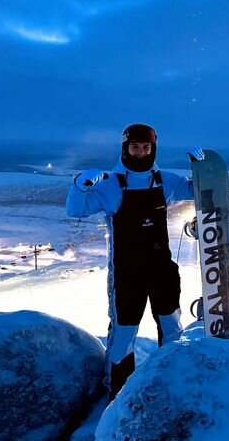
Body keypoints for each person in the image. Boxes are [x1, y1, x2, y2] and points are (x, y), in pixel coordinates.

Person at [66, 123, 204, 402]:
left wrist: (202, 169)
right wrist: (79, 185)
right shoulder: (112, 185)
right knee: (125, 333)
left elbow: (198, 191)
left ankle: (170, 389)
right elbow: (75, 210)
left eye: (146, 147)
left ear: (153, 149)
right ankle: (119, 398)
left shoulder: (163, 180)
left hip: (162, 269)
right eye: (135, 147)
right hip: (128, 273)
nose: (141, 153)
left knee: (172, 329)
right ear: (125, 148)